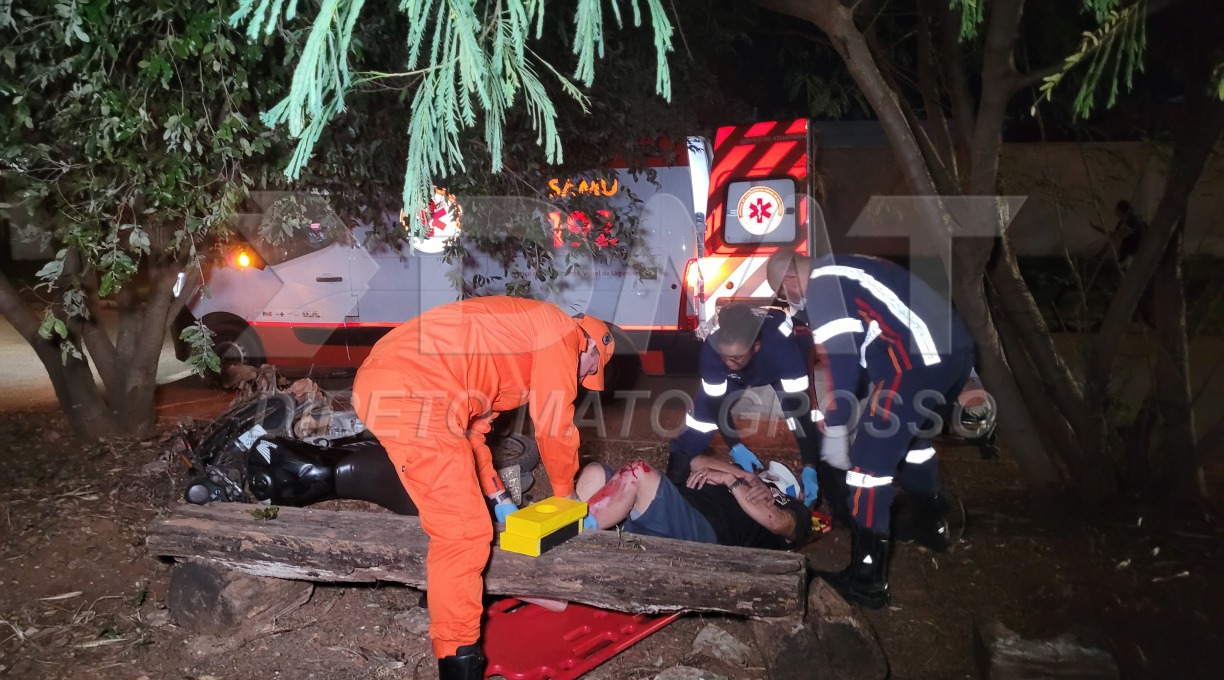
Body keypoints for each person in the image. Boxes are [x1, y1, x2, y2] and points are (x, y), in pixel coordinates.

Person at [350, 297, 614, 680]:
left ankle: (443, 602)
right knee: (462, 532)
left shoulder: (515, 345)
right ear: (590, 343)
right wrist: (567, 497)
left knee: (460, 515)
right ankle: (459, 660)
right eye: (591, 370)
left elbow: (473, 431)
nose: (584, 379)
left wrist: (498, 496)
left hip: (393, 381)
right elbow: (554, 422)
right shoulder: (561, 333)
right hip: (413, 389)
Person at [806, 254, 975, 608]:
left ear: (791, 281)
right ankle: (930, 526)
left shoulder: (820, 283)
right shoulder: (855, 268)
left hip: (916, 361)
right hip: (955, 352)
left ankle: (867, 580)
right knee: (916, 444)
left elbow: (843, 359)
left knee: (867, 470)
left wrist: (836, 427)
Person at [666, 303, 839, 521]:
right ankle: (672, 490)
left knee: (806, 421)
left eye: (735, 358)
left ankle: (835, 497)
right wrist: (736, 447)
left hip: (779, 359)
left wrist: (809, 466)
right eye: (725, 357)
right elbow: (716, 405)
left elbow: (799, 411)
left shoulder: (783, 350)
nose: (729, 363)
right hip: (742, 369)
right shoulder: (713, 351)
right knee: (699, 422)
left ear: (755, 346)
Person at [574, 456, 811, 550]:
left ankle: (564, 540)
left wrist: (731, 481)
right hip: (661, 514)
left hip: (702, 533)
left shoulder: (789, 503)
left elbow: (778, 524)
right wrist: (746, 477)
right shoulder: (744, 477)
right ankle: (578, 538)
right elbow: (697, 462)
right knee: (595, 472)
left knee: (638, 473)